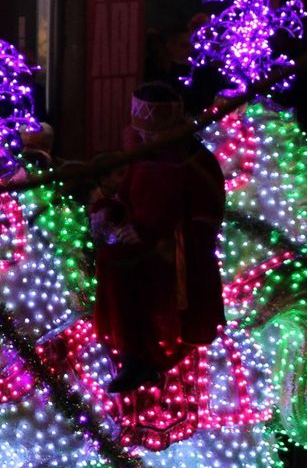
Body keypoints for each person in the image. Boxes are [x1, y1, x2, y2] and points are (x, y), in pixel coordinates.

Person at [91, 82, 225, 393]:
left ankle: (144, 358)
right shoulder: (141, 154)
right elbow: (126, 197)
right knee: (111, 261)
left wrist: (159, 235)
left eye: (152, 134)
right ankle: (128, 351)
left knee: (128, 269)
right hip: (138, 241)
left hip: (173, 250)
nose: (147, 139)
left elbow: (207, 215)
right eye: (143, 134)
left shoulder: (196, 162)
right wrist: (109, 213)